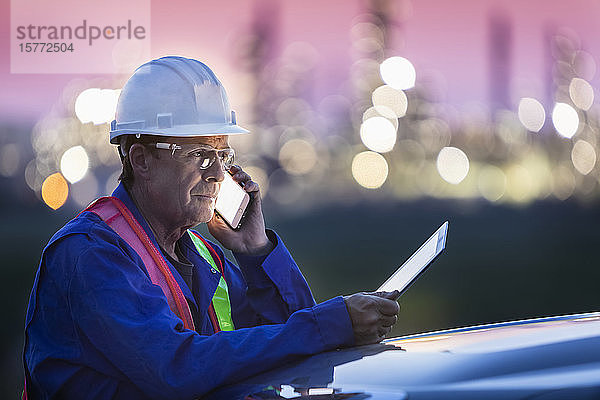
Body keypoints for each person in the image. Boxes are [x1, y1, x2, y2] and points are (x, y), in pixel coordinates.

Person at [23, 56, 401, 399]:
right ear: (141, 160)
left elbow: (292, 347)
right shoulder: (90, 254)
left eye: (222, 154)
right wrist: (329, 324)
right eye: (200, 155)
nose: (219, 174)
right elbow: (177, 368)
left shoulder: (203, 255)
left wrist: (255, 251)